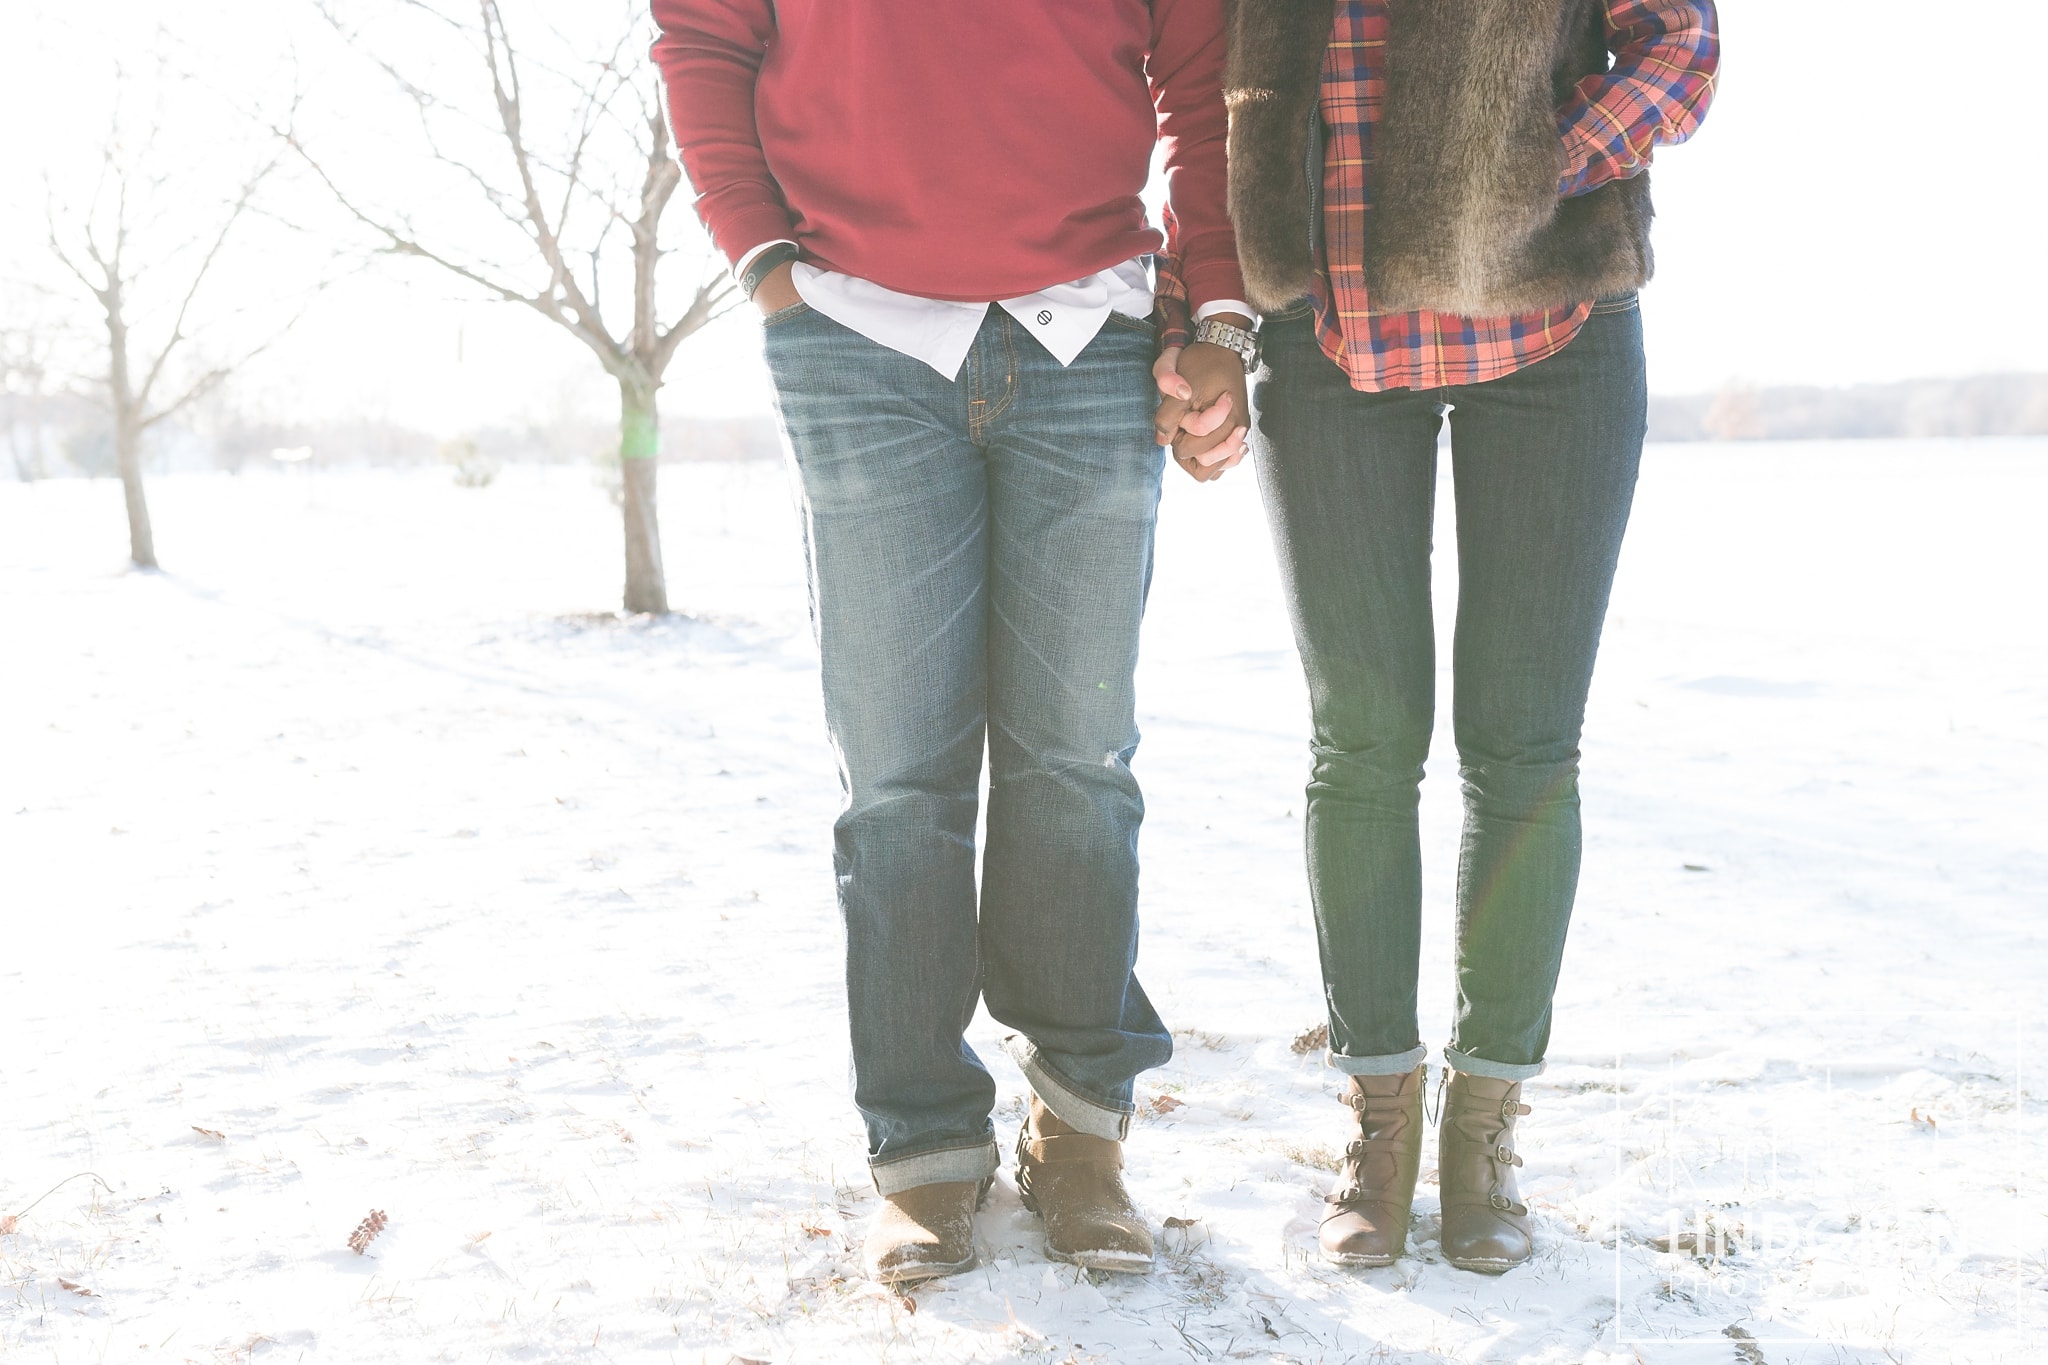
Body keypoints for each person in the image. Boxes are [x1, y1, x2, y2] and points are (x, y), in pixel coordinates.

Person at [651, 1, 1256, 1284]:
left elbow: (1204, 84)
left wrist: (1219, 317)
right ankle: (923, 1150)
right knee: (896, 777)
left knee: (1076, 761)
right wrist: (766, 265)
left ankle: (1081, 1136)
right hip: (853, 336)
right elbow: (703, 41)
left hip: (1088, 334)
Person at [1158, 0, 1719, 1271]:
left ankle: (1483, 1129)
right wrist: (1206, 312)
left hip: (1553, 337)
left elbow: (1679, 51)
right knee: (1360, 740)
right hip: (1326, 347)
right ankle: (1378, 1123)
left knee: (1520, 749)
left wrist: (1515, 171)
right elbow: (1198, 95)